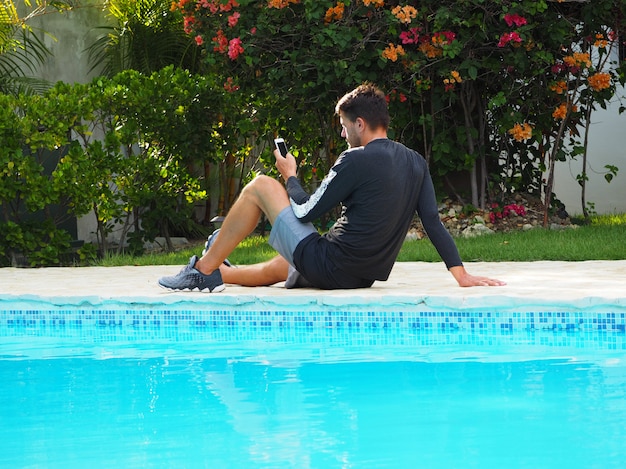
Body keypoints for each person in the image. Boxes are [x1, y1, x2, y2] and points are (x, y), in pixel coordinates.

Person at [158, 83, 505, 292]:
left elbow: (307, 211)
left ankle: (200, 271)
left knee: (260, 185)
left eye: (343, 126)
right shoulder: (415, 161)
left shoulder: (355, 159)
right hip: (360, 276)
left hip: (331, 266)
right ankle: (219, 273)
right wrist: (461, 274)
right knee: (280, 267)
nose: (342, 134)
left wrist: (289, 175)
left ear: (360, 123)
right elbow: (432, 222)